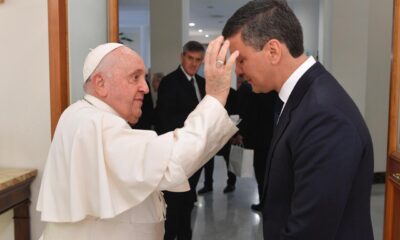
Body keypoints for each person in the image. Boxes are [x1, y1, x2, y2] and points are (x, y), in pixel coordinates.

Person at [37, 40, 239, 240]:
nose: (144, 87)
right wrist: (215, 98)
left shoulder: (83, 114)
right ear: (100, 83)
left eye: (144, 77)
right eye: (134, 78)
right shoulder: (96, 123)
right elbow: (171, 161)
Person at [222, 1, 374, 239]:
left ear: (273, 50)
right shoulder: (298, 97)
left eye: (241, 60)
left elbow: (309, 230)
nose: (238, 72)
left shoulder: (324, 116)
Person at [154, 40, 216, 240]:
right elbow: (164, 119)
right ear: (182, 57)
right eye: (190, 58)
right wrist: (193, 125)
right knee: (174, 205)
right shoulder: (170, 82)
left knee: (188, 202)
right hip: (177, 154)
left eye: (198, 60)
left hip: (197, 154)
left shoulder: (202, 83)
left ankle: (185, 236)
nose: (193, 63)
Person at [197, 88, 239, 195]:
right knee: (208, 160)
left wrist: (234, 133)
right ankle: (208, 185)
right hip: (212, 132)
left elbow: (236, 113)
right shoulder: (210, 92)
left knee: (229, 158)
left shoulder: (233, 93)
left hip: (226, 132)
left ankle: (231, 183)